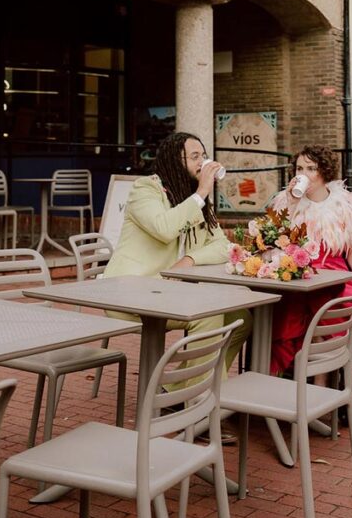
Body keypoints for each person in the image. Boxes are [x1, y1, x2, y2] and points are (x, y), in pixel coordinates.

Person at [104, 131, 252, 388]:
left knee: (241, 318)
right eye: (195, 156)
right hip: (130, 290)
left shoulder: (196, 199)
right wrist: (202, 191)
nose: (202, 162)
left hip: (169, 291)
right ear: (175, 160)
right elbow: (164, 228)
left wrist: (191, 259)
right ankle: (199, 401)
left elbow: (222, 246)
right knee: (208, 315)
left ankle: (179, 387)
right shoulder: (145, 189)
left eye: (203, 156)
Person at [269, 144, 352, 377]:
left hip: (338, 281)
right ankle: (279, 386)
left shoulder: (344, 208)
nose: (302, 174)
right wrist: (291, 207)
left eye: (310, 168)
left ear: (323, 172)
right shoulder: (284, 203)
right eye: (299, 168)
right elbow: (272, 247)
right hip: (296, 279)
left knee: (323, 310)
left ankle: (320, 388)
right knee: (288, 311)